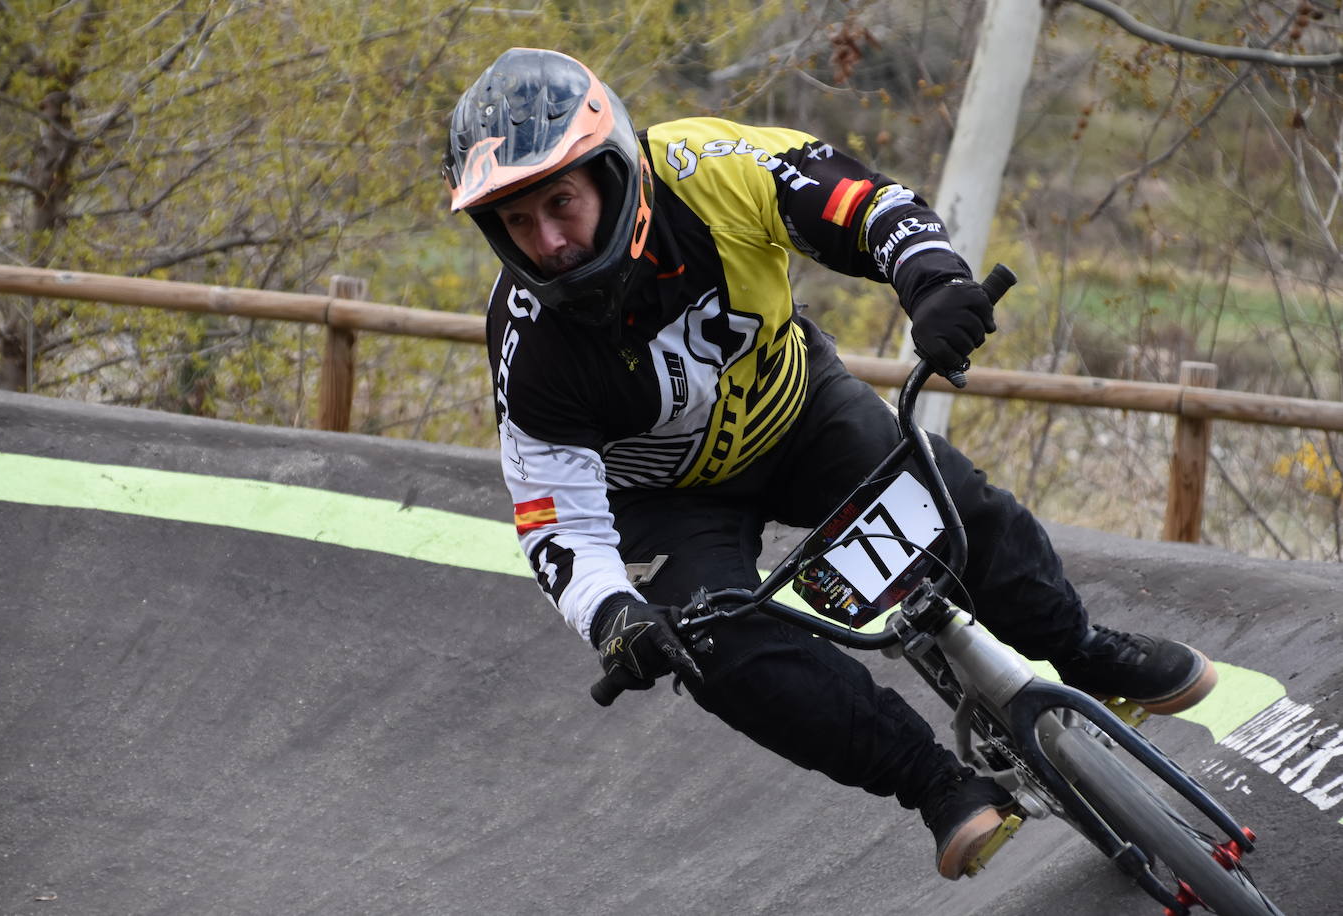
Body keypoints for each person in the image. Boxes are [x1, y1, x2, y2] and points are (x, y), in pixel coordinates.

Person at [442, 48, 1218, 880]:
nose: (550, 242)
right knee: (712, 650)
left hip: (797, 415)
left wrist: (931, 282)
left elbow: (868, 204)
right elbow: (556, 522)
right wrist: (612, 618)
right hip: (667, 506)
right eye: (519, 222)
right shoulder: (525, 345)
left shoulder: (708, 170)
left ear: (616, 170)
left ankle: (1084, 650)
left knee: (946, 495)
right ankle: (936, 786)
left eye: (561, 203)